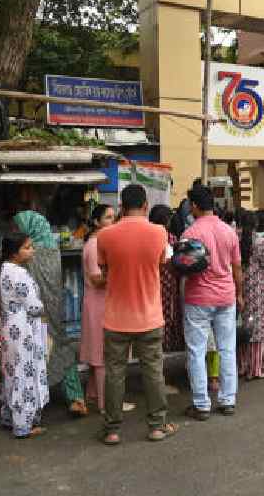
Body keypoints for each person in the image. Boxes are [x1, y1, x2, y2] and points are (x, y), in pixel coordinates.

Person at [97, 184, 177, 444]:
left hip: (116, 317)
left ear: (121, 207)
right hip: (149, 316)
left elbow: (105, 271)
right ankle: (156, 426)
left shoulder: (105, 236)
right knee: (153, 371)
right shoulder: (159, 232)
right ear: (145, 206)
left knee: (115, 373)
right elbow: (161, 262)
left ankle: (112, 429)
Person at [13, 210, 85, 417]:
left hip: (35, 313)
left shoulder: (26, 252)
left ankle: (33, 404)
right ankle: (75, 397)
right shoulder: (52, 248)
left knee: (37, 351)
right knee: (59, 345)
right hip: (53, 308)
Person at [181, 185, 243, 419]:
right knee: (227, 348)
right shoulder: (229, 231)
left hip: (198, 297)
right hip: (226, 296)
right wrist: (240, 293)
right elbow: (237, 267)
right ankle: (228, 400)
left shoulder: (190, 233)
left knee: (196, 351)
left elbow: (184, 269)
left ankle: (201, 404)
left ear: (195, 206)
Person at [80, 205, 136, 414]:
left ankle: (94, 395)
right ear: (97, 222)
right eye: (108, 218)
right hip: (99, 304)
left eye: (114, 217)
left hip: (98, 303)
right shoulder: (95, 245)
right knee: (104, 355)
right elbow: (96, 279)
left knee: (98, 353)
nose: (113, 221)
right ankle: (108, 404)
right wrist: (121, 274)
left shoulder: (96, 242)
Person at [0, 233, 49, 439]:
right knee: (25, 374)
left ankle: (10, 416)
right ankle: (23, 424)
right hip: (24, 330)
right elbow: (34, 306)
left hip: (11, 328)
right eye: (27, 247)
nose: (32, 250)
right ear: (14, 252)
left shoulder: (4, 269)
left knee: (13, 372)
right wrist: (43, 307)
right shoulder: (18, 273)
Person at [237, 210, 264, 379]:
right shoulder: (259, 242)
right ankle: (255, 369)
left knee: (243, 326)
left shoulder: (236, 240)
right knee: (257, 327)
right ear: (256, 224)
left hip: (241, 286)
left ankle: (242, 366)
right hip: (257, 287)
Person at [149, 205, 185, 354]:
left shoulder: (153, 237)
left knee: (164, 313)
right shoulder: (171, 238)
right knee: (170, 313)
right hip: (168, 281)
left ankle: (163, 344)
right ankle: (169, 343)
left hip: (158, 282)